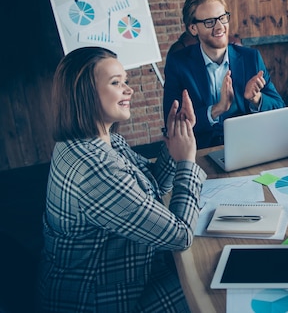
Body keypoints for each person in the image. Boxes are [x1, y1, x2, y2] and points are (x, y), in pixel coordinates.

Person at [39, 47, 206, 312]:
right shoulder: (95, 168)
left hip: (125, 277)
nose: (128, 90)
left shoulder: (103, 142)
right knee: (208, 282)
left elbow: (152, 188)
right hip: (99, 300)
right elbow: (180, 235)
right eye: (116, 83)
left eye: (125, 81)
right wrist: (187, 161)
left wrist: (175, 145)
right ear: (84, 93)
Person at [163, 0, 285, 148]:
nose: (219, 27)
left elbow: (279, 107)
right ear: (193, 29)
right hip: (200, 150)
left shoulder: (250, 58)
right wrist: (216, 109)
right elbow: (172, 124)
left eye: (222, 18)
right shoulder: (178, 63)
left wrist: (256, 98)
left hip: (248, 145)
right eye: (209, 22)